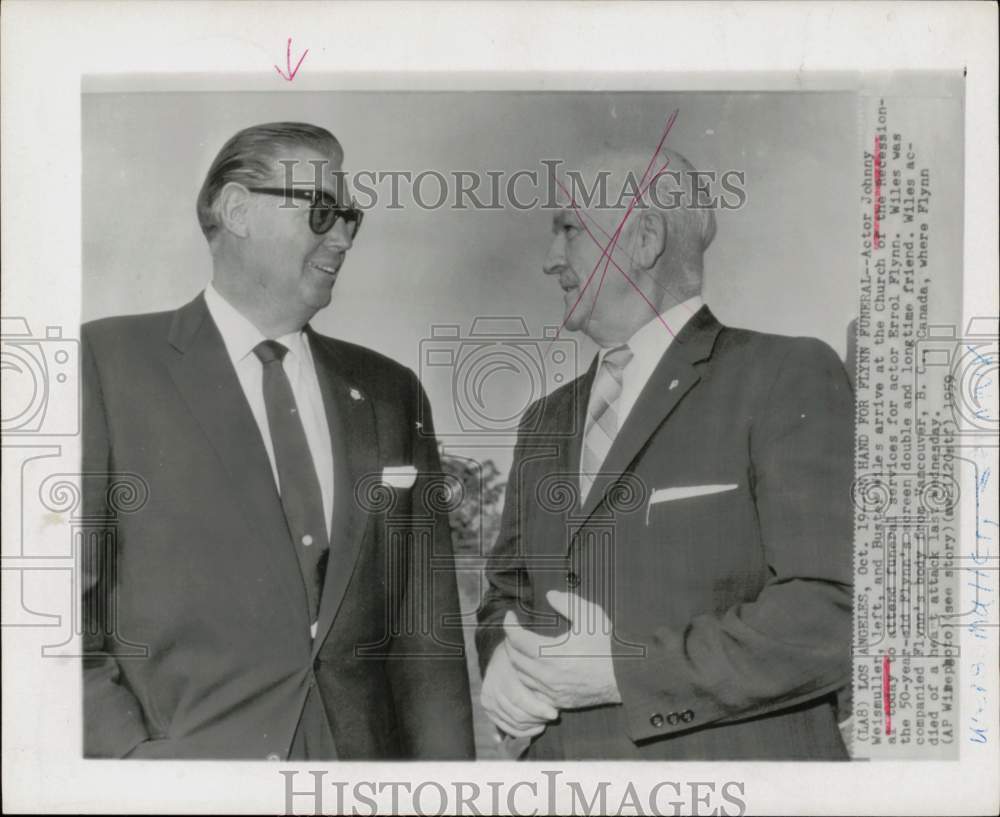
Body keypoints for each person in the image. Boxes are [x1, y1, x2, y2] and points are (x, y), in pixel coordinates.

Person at [82, 122, 474, 760]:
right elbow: (54, 619)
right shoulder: (105, 363)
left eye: (351, 217)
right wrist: (131, 763)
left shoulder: (389, 391)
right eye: (323, 212)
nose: (343, 236)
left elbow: (425, 640)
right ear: (237, 210)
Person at [476, 148, 854, 760]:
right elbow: (507, 592)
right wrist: (499, 661)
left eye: (568, 230)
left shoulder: (785, 376)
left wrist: (624, 673)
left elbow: (834, 610)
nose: (550, 261)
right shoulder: (544, 421)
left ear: (645, 238)